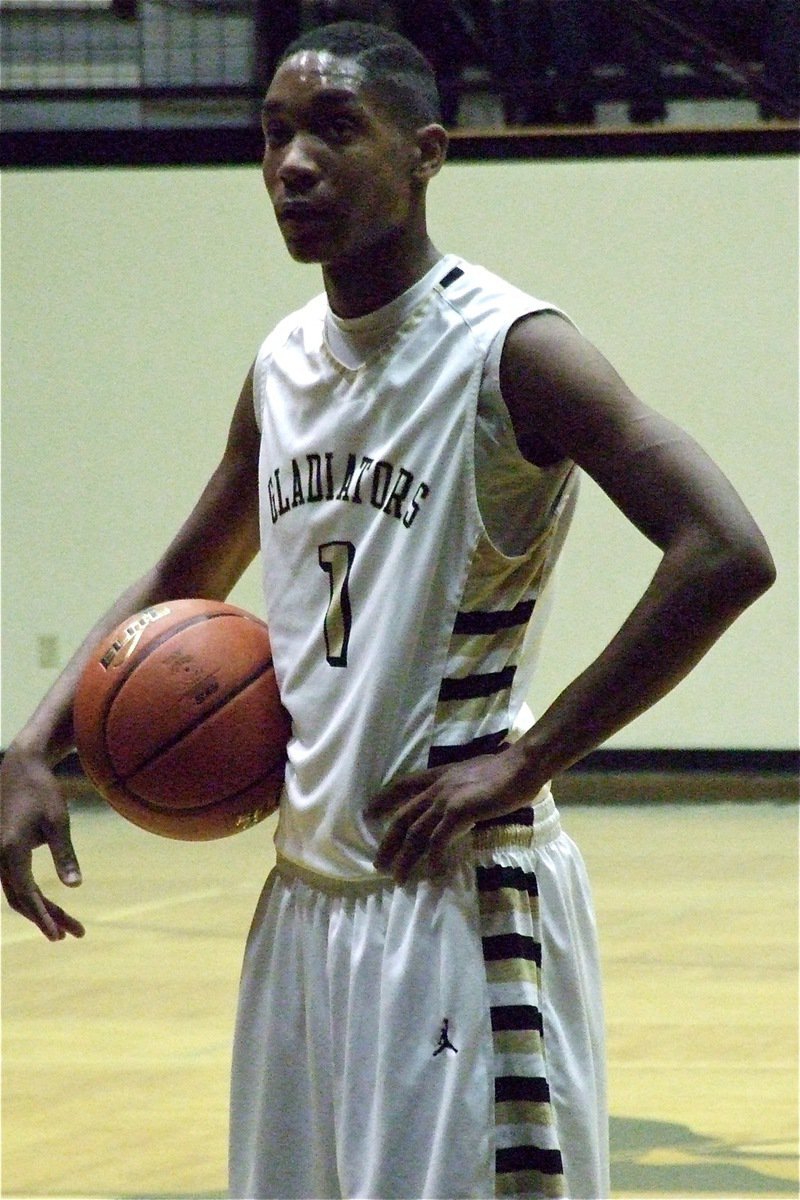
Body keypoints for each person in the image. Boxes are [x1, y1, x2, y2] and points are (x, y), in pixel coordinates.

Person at [0, 19, 775, 1200]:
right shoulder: (284, 364)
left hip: (459, 908)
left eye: (331, 129)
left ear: (425, 153)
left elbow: (722, 550)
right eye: (271, 135)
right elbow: (179, 581)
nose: (291, 163)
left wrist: (526, 759)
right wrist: (31, 744)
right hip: (305, 905)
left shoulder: (508, 349)